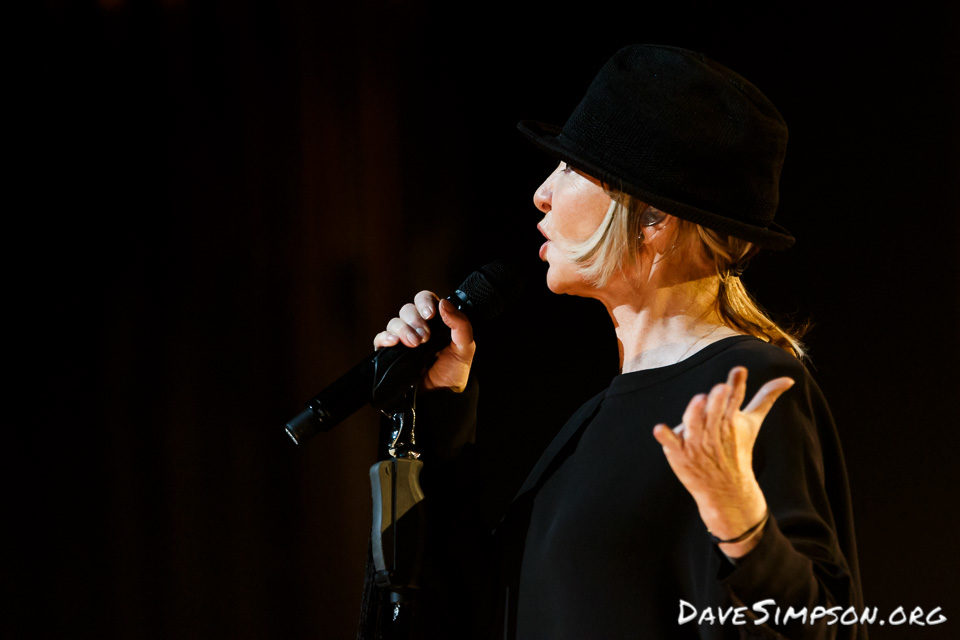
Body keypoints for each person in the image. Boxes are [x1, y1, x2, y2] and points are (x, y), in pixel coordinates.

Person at [367, 45, 865, 639]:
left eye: (574, 169)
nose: (542, 194)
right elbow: (482, 609)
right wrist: (438, 409)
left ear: (654, 220)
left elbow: (823, 628)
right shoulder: (602, 415)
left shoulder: (743, 386)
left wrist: (744, 527)